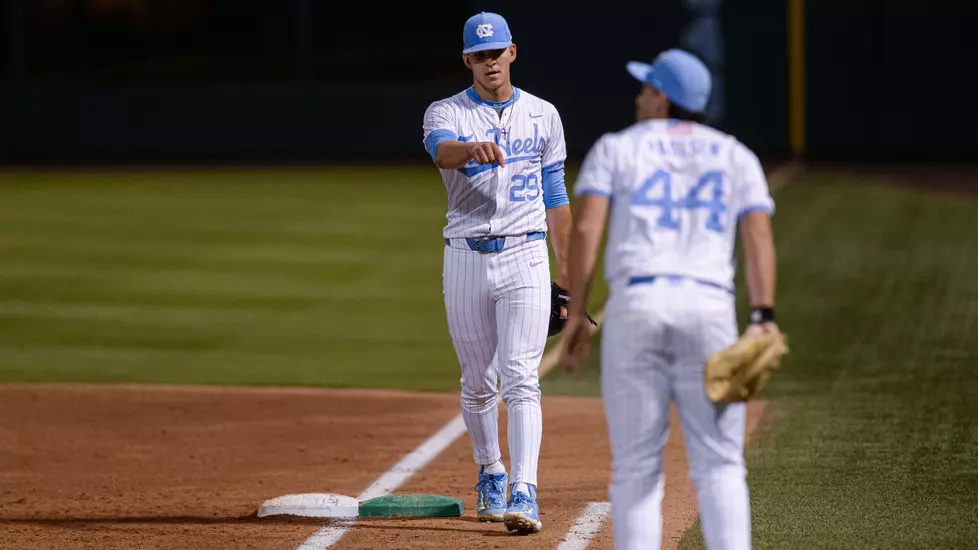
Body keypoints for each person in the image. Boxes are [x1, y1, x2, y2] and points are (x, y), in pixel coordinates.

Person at [558, 49, 779, 550]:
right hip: (710, 312)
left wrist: (576, 312)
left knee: (636, 469)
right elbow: (758, 237)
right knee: (721, 465)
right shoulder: (735, 153)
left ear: (663, 98)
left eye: (646, 88)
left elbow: (588, 228)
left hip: (638, 310)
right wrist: (763, 315)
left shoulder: (617, 148)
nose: (639, 97)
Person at [420, 11, 574, 535]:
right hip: (464, 255)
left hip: (528, 256)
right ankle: (490, 468)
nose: (490, 63)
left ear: (513, 51)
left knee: (521, 379)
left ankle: (524, 491)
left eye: (497, 52)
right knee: (478, 383)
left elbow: (556, 196)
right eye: (480, 55)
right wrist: (469, 151)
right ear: (467, 60)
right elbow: (440, 151)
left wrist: (569, 275)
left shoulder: (543, 115)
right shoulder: (445, 111)